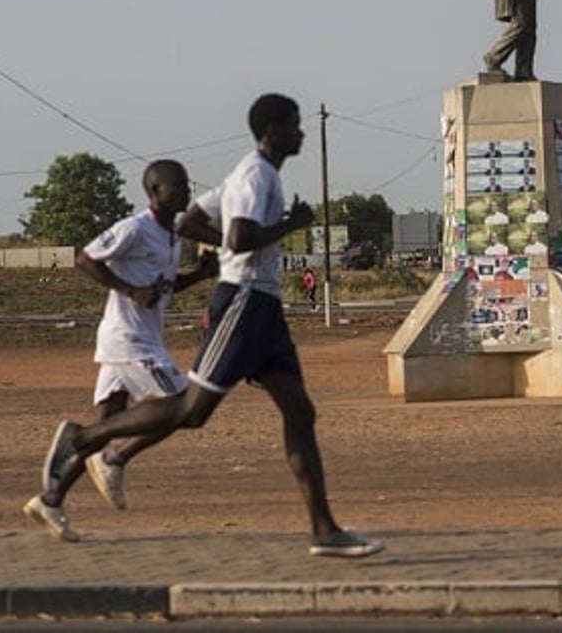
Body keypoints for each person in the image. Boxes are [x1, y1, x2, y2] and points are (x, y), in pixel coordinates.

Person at [38, 93, 384, 557]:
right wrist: (290, 224)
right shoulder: (255, 176)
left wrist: (212, 257)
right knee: (191, 409)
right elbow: (240, 238)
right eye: (296, 124)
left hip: (266, 307)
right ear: (273, 129)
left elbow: (190, 222)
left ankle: (324, 530)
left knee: (301, 413)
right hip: (242, 301)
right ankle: (88, 439)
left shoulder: (252, 176)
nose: (302, 132)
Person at [23, 160, 217, 541]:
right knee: (185, 406)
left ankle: (51, 499)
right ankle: (114, 457)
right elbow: (86, 258)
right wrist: (129, 291)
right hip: (128, 339)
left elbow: (161, 287)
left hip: (143, 338)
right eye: (177, 186)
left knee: (106, 422)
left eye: (186, 184)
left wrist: (199, 275)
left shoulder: (175, 236)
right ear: (155, 192)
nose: (186, 191)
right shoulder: (135, 228)